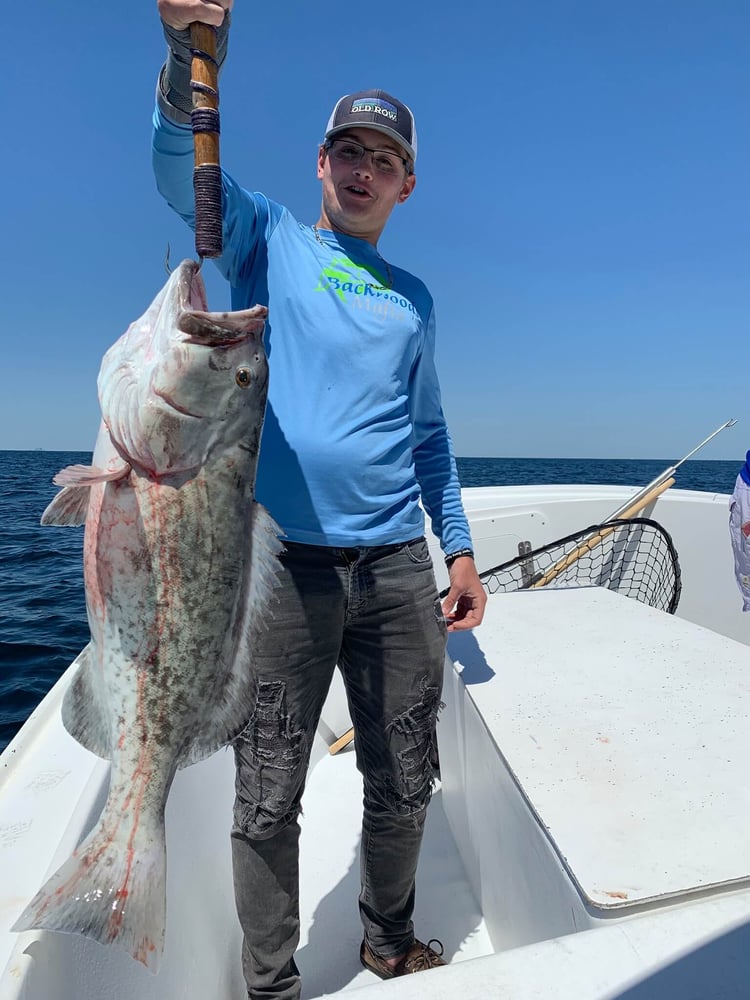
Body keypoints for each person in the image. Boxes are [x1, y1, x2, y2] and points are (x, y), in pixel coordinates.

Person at [153, 2, 487, 996]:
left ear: (406, 185)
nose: (361, 169)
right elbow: (187, 180)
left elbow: (429, 438)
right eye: (347, 148)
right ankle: (271, 983)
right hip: (280, 567)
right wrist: (189, 63)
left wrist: (458, 550)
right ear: (319, 162)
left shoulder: (414, 302)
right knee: (265, 797)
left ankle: (389, 939)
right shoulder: (269, 245)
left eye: (381, 159)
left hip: (392, 569)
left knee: (404, 776)